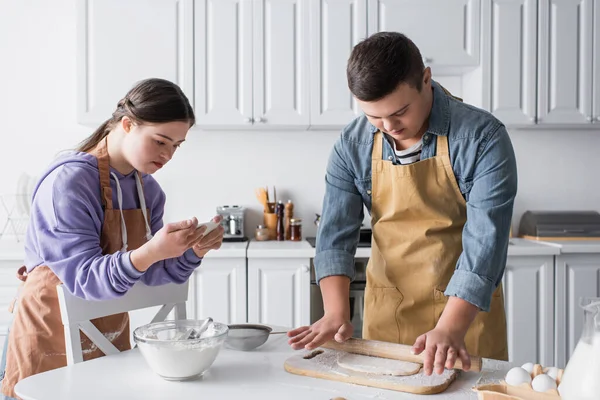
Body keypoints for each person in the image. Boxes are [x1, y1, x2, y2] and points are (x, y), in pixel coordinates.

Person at [288, 32, 518, 376]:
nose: (389, 127)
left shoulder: (481, 137)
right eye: (374, 117)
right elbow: (335, 235)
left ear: (425, 79)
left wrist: (450, 328)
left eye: (399, 112)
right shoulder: (351, 145)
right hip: (389, 316)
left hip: (464, 321)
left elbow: (486, 242)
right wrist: (335, 311)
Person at [0, 78, 224, 399]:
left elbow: (153, 276)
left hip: (108, 332)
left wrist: (191, 252)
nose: (168, 155)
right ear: (127, 125)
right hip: (49, 332)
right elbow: (84, 280)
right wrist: (151, 251)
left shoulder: (149, 191)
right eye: (161, 141)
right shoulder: (68, 183)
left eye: (176, 145)